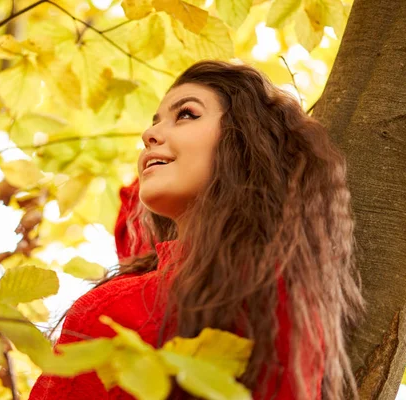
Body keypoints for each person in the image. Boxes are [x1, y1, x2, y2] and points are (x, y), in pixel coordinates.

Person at [29, 60, 364, 399]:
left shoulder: (283, 293)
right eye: (155, 122)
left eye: (186, 114)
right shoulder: (119, 306)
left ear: (244, 138)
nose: (148, 135)